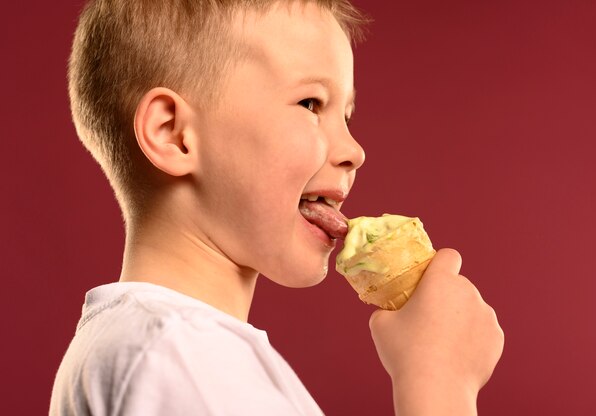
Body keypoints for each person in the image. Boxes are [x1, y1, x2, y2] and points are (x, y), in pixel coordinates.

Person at [50, 0, 504, 414]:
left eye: (345, 114)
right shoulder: (181, 353)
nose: (354, 150)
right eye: (311, 103)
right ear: (172, 133)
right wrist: (439, 379)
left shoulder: (158, 347)